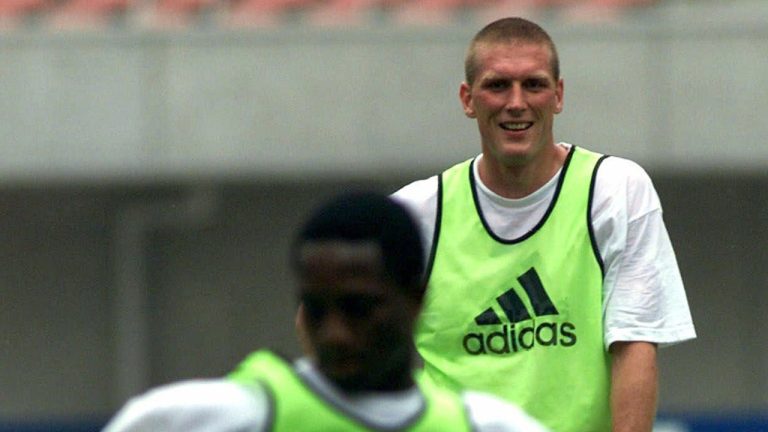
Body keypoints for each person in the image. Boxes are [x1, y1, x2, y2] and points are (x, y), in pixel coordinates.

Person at [390, 17, 696, 432]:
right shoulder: (415, 213)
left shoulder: (614, 189)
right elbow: (335, 327)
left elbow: (635, 345)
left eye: (533, 85)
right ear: (467, 99)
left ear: (558, 95)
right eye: (497, 85)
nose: (516, 102)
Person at [102, 191, 550, 432]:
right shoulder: (229, 415)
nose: (334, 333)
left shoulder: (483, 425)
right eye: (316, 309)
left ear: (414, 301)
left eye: (359, 309)